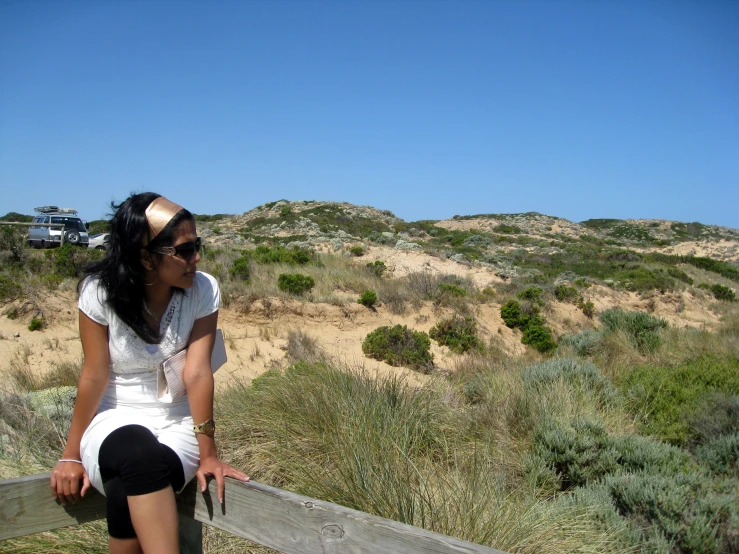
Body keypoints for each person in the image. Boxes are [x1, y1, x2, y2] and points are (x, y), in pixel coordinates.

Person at [50, 192, 248, 554]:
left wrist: (208, 455)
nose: (196, 258)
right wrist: (71, 454)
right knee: (136, 451)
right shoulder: (98, 292)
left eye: (197, 246)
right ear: (146, 256)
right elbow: (94, 374)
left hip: (177, 423)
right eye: (185, 250)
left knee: (129, 483)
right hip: (112, 418)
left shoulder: (203, 289)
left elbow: (198, 373)